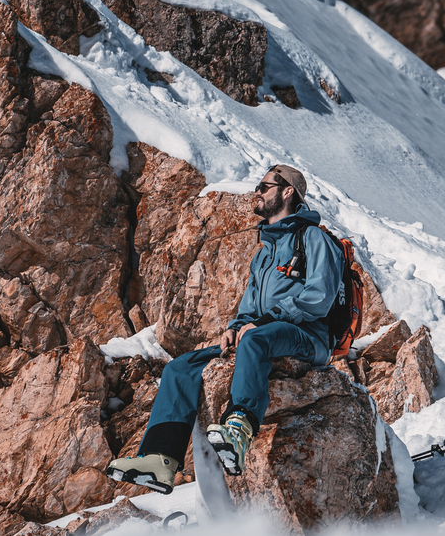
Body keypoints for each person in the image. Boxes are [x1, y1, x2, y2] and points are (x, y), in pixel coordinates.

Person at [105, 164, 343, 493]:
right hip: (261, 333)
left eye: (264, 186)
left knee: (256, 339)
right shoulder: (264, 253)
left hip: (309, 337)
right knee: (180, 367)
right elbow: (248, 307)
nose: (257, 192)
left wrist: (265, 320)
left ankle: (240, 428)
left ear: (287, 192)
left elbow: (320, 297)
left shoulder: (314, 238)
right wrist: (236, 326)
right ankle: (159, 459)